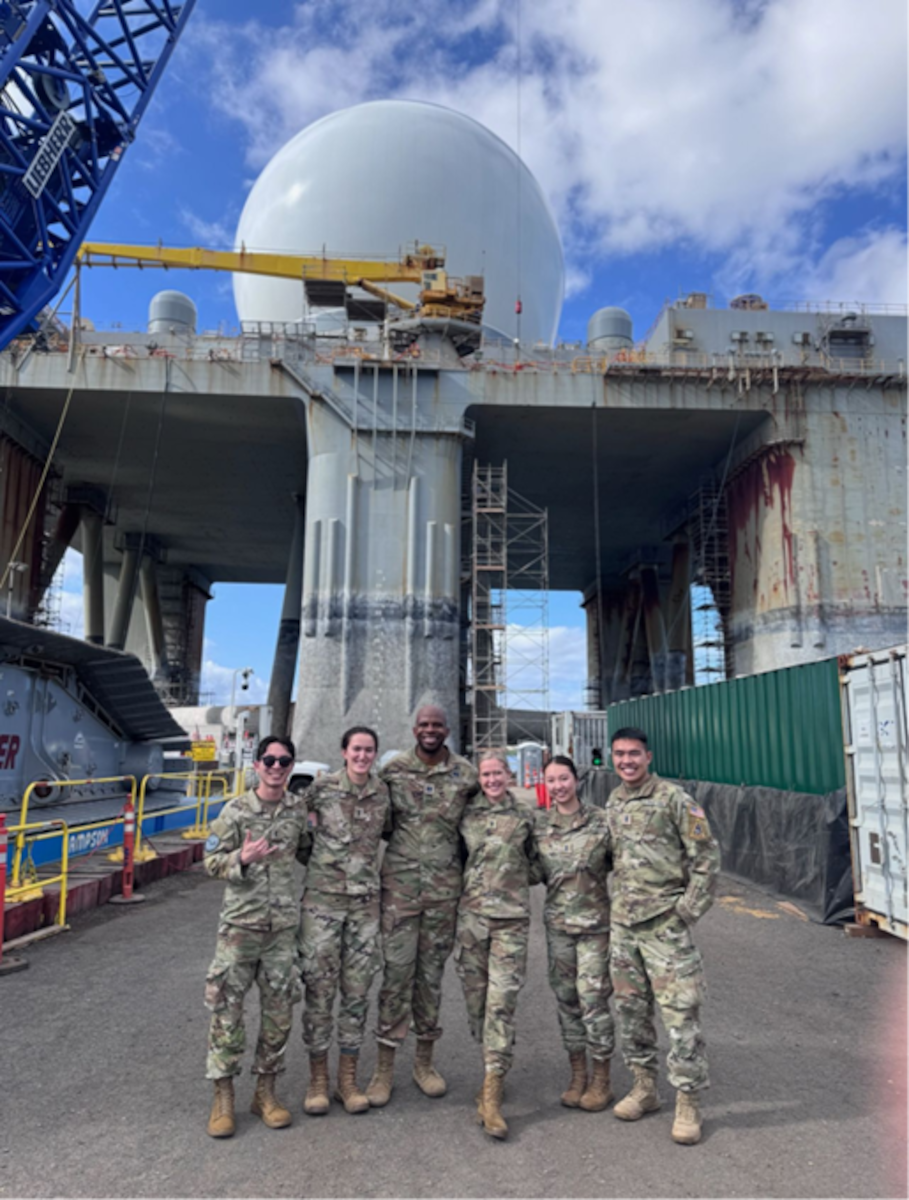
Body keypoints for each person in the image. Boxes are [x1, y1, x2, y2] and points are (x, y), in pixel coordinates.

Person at [606, 726, 720, 1146]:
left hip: (664, 926)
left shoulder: (674, 799)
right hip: (625, 928)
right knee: (631, 1012)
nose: (626, 761)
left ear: (648, 757)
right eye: (619, 754)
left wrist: (686, 912)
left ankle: (687, 1100)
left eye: (634, 754)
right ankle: (645, 1088)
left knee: (680, 1014)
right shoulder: (614, 801)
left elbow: (707, 857)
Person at [366, 704, 479, 1107]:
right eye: (424, 725)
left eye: (437, 725)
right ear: (415, 729)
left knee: (430, 979)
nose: (430, 731)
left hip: (444, 894)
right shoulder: (393, 771)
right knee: (396, 976)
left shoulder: (466, 775)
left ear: (447, 730)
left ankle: (424, 1063)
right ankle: (383, 1069)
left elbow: (479, 825)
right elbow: (374, 820)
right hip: (399, 891)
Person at [202, 736, 311, 1138]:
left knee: (279, 1015)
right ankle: (224, 1096)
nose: (277, 766)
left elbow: (310, 851)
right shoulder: (235, 811)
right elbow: (210, 862)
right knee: (227, 1013)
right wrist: (241, 859)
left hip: (281, 931)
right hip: (240, 930)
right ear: (258, 764)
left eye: (284, 761)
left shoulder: (297, 811)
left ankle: (265, 1091)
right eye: (270, 760)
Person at [299, 726, 390, 1116]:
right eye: (356, 749)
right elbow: (303, 840)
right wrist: (326, 872)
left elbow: (387, 833)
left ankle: (347, 1079)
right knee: (319, 990)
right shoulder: (320, 791)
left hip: (364, 908)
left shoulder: (383, 792)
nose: (362, 756)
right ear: (343, 752)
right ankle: (318, 1079)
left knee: (356, 992)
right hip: (322, 904)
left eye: (369, 750)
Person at [454, 752, 539, 1140]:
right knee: (476, 1005)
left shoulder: (523, 816)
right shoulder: (466, 815)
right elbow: (456, 859)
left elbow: (539, 862)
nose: (491, 779)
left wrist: (515, 882)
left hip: (510, 922)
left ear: (509, 775)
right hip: (472, 922)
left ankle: (492, 1091)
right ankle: (491, 1062)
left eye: (497, 773)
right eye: (485, 774)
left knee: (501, 1002)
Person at [533, 754, 616, 1113]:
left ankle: (601, 1078)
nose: (558, 786)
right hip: (558, 928)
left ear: (575, 780)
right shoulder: (539, 826)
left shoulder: (601, 822)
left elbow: (624, 866)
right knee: (567, 1000)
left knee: (593, 999)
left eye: (564, 779)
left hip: (596, 926)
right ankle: (577, 1073)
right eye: (551, 780)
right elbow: (529, 870)